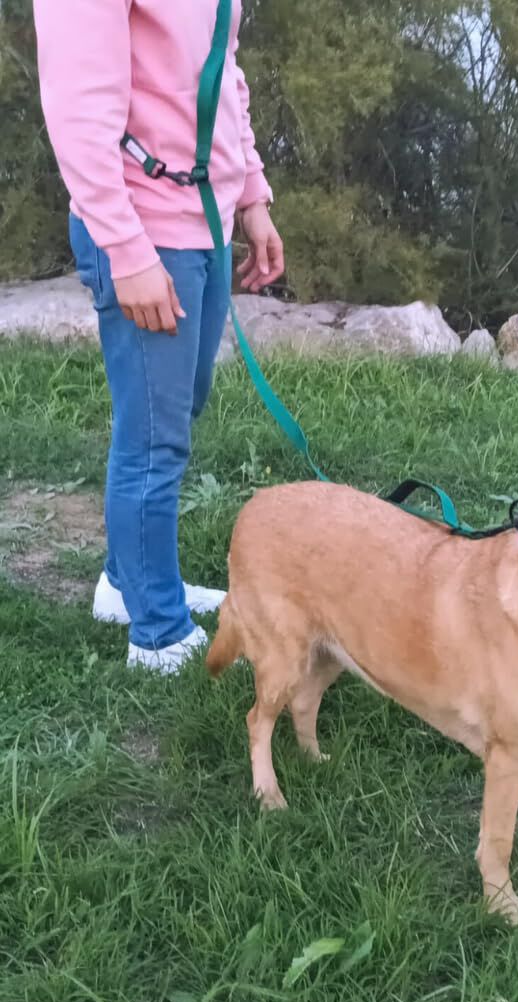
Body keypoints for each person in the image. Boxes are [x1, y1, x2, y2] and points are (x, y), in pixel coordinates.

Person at [33, 0, 284, 673]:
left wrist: (251, 198)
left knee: (176, 408)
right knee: (154, 439)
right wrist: (127, 251)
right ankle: (158, 633)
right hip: (143, 228)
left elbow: (221, 72)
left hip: (203, 219)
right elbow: (79, 108)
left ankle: (126, 584)